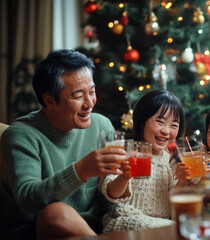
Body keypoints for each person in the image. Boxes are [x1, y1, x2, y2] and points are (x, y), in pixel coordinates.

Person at [0, 49, 129, 240]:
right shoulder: (20, 135)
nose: (89, 103)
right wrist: (81, 170)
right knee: (56, 213)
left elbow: (107, 198)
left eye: (92, 92)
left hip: (95, 229)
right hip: (42, 229)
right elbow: (27, 199)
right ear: (49, 100)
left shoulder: (102, 125)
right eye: (78, 96)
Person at [101, 89, 189, 233]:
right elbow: (111, 193)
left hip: (160, 223)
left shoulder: (170, 160)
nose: (166, 131)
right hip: (126, 219)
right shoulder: (126, 153)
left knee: (179, 226)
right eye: (160, 122)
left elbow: (174, 202)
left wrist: (182, 181)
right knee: (175, 229)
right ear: (142, 121)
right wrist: (124, 176)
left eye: (173, 125)